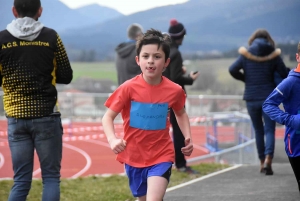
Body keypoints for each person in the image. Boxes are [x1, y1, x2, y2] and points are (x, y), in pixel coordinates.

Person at [102, 29, 194, 201]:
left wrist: (188, 136)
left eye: (157, 57)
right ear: (138, 60)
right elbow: (107, 117)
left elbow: (180, 113)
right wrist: (112, 140)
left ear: (166, 62)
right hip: (133, 156)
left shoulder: (174, 90)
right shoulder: (128, 88)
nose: (151, 61)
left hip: (161, 155)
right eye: (146, 56)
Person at [0, 0, 73, 200]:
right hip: (47, 115)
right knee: (50, 177)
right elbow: (66, 76)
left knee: (21, 180)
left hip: (16, 118)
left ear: (14, 11)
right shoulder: (51, 37)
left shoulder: (2, 39)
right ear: (39, 11)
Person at [228, 29, 288, 175]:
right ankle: (268, 159)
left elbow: (232, 69)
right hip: (269, 98)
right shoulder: (273, 56)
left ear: (253, 40)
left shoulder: (246, 55)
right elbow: (284, 74)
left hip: (251, 98)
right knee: (269, 130)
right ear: (269, 40)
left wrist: (246, 79)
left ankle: (261, 162)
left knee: (258, 130)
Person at [162, 19, 199, 174]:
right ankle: (181, 164)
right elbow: (175, 78)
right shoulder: (176, 53)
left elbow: (168, 74)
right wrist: (190, 78)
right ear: (181, 36)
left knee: (162, 131)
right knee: (178, 132)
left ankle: (164, 163)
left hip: (163, 96)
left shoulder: (165, 50)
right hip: (175, 97)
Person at [262, 42, 300, 191]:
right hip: (297, 145)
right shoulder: (290, 82)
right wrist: (290, 120)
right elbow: (268, 105)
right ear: (297, 57)